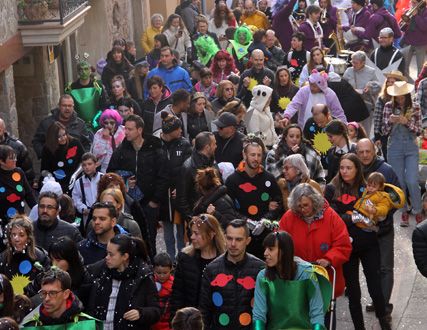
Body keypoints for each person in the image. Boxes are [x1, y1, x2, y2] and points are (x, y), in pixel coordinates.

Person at [324, 154, 391, 330]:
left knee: (375, 287)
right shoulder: (331, 189)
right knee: (353, 292)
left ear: (357, 169)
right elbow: (331, 218)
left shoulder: (367, 187)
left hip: (368, 244)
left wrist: (369, 215)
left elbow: (381, 211)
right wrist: (353, 217)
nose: (344, 171)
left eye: (349, 168)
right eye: (342, 168)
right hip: (345, 247)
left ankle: (384, 322)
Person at [279, 183, 352, 327]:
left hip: (325, 280)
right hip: (297, 280)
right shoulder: (289, 217)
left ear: (314, 201)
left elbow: (343, 245)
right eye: (298, 206)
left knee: (326, 318)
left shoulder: (331, 216)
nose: (302, 209)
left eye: (306, 205)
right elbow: (280, 242)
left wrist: (328, 259)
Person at [107, 114, 169, 255]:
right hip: (128, 202)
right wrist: (123, 180)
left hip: (149, 203)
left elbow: (163, 175)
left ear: (139, 130)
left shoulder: (155, 148)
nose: (126, 132)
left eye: (130, 129)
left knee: (149, 239)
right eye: (125, 129)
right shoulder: (122, 149)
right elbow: (110, 173)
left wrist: (155, 201)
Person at [356, 138, 400, 314]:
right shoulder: (353, 169)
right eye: (361, 152)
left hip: (383, 229)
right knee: (371, 267)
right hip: (361, 228)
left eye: (368, 151)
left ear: (374, 151)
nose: (365, 155)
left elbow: (397, 198)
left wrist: (383, 215)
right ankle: (377, 300)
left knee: (385, 267)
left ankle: (384, 304)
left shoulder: (386, 170)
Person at [253, 231, 326, 329]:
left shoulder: (307, 274)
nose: (265, 253)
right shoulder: (262, 276)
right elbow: (259, 315)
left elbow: (317, 313)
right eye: (265, 249)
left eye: (270, 249)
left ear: (284, 251)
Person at [199, 219, 264, 329]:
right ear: (224, 237)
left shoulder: (260, 269)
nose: (233, 244)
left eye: (238, 239)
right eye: (229, 238)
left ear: (247, 241)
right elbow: (205, 309)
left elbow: (266, 308)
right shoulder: (211, 270)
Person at [87, 234, 159, 329]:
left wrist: (140, 313)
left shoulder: (143, 276)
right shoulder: (101, 269)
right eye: (107, 253)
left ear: (125, 256)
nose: (107, 258)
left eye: (111, 254)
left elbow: (156, 311)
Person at [225, 137, 282, 258]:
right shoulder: (232, 180)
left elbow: (278, 203)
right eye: (252, 155)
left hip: (265, 237)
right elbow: (228, 207)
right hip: (241, 236)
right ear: (244, 155)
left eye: (259, 155)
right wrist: (245, 221)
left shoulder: (269, 179)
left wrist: (264, 221)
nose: (256, 158)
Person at [382, 81, 422, 225]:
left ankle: (418, 210)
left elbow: (419, 131)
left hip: (411, 147)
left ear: (407, 94)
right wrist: (390, 122)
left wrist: (407, 122)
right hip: (394, 147)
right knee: (399, 182)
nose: (399, 99)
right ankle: (403, 211)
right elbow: (383, 131)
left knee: (412, 180)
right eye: (397, 96)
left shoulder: (415, 107)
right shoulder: (388, 106)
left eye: (402, 96)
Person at [170, 214, 226, 317]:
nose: (192, 237)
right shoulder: (185, 258)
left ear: (211, 234)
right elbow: (177, 294)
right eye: (192, 233)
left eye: (196, 233)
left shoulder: (225, 261)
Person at [159, 112, 192, 261]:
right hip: (163, 193)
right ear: (170, 131)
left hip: (179, 192)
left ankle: (181, 258)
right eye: (178, 129)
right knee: (167, 229)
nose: (181, 131)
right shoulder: (157, 144)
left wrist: (180, 189)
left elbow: (187, 169)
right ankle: (170, 259)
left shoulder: (184, 144)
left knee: (180, 228)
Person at [21, 269, 102, 328]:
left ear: (66, 294)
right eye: (44, 293)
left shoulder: (87, 326)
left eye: (53, 293)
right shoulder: (32, 326)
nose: (46, 299)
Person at [0, 216, 49, 295]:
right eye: (13, 235)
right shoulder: (2, 258)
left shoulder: (41, 257)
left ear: (29, 238)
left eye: (21, 235)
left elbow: (46, 284)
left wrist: (25, 295)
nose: (17, 239)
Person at [281, 70, 347, 129]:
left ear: (321, 86)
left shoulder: (330, 94)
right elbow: (294, 105)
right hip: (304, 128)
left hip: (326, 130)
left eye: (314, 86)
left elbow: (338, 112)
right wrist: (287, 116)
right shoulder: (304, 91)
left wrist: (344, 125)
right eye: (310, 85)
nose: (311, 88)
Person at [32, 95, 91, 159]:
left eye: (70, 106)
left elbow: (87, 144)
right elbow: (37, 141)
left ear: (73, 107)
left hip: (74, 163)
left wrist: (83, 159)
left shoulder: (80, 124)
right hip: (52, 163)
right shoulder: (46, 123)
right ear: (59, 106)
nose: (67, 108)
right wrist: (44, 155)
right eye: (64, 105)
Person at [176, 132, 217, 222]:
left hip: (212, 216)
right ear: (207, 147)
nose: (216, 146)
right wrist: (192, 219)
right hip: (198, 220)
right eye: (214, 144)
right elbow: (181, 199)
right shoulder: (188, 167)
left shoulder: (212, 162)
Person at [64, 58, 110, 131]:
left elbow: (103, 105)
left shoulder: (98, 86)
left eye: (86, 69)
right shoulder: (71, 88)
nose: (83, 72)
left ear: (90, 70)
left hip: (96, 123)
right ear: (78, 71)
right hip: (78, 125)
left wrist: (96, 119)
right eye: (81, 69)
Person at [343, 51, 381, 135]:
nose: (353, 64)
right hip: (352, 105)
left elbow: (378, 86)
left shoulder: (371, 71)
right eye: (352, 62)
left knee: (364, 131)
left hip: (366, 105)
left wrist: (370, 87)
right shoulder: (349, 71)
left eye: (356, 62)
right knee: (352, 131)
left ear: (363, 62)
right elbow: (343, 85)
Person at [40, 121, 84, 193]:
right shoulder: (47, 148)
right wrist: (50, 178)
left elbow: (83, 161)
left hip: (73, 182)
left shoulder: (75, 143)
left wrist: (75, 174)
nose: (63, 138)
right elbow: (44, 169)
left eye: (64, 135)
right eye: (59, 137)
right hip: (56, 185)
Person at [373, 70, 407, 160]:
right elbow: (377, 119)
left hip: (402, 135)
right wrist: (377, 136)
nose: (389, 84)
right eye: (388, 81)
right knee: (388, 159)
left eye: (393, 82)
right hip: (386, 135)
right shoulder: (382, 99)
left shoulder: (405, 98)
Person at [0, 146, 36, 229]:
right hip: (2, 222)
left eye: (15, 157)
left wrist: (37, 209)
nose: (15, 160)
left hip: (20, 220)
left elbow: (29, 195)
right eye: (11, 158)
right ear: (1, 161)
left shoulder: (19, 172)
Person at [71, 152, 103, 228]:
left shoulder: (103, 178)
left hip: (102, 212)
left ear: (96, 164)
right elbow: (75, 198)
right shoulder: (79, 182)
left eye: (89, 164)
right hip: (86, 214)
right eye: (84, 165)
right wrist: (82, 208)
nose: (87, 167)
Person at [0, 118, 34, 184]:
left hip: (13, 186)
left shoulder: (17, 146)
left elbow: (27, 171)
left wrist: (24, 189)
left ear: (4, 129)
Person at [90, 109, 125, 173]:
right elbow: (95, 155)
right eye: (106, 123)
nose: (109, 125)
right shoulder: (99, 133)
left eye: (112, 123)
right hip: (104, 169)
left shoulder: (123, 130)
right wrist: (105, 139)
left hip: (121, 167)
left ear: (116, 122)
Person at [400, 0, 427, 78]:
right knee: (404, 65)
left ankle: (419, 85)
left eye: (414, 3)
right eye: (411, 2)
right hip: (408, 42)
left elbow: (424, 27)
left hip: (421, 43)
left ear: (420, 3)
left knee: (420, 68)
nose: (412, 4)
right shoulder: (408, 11)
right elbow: (401, 27)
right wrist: (405, 24)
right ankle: (406, 84)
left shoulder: (425, 12)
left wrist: (416, 16)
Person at [152, 252, 174, 330]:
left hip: (167, 323)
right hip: (152, 323)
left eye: (165, 273)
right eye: (158, 273)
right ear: (153, 269)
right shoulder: (150, 282)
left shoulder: (174, 284)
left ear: (171, 269)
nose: (161, 276)